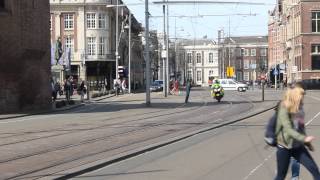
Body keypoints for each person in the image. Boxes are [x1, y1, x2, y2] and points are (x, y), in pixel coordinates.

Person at [274, 86, 320, 180]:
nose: (303, 99)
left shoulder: (300, 109)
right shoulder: (284, 108)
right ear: (295, 96)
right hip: (285, 147)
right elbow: (288, 130)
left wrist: (308, 144)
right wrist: (304, 139)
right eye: (301, 96)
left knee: (315, 171)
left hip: (298, 146)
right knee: (281, 176)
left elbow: (301, 128)